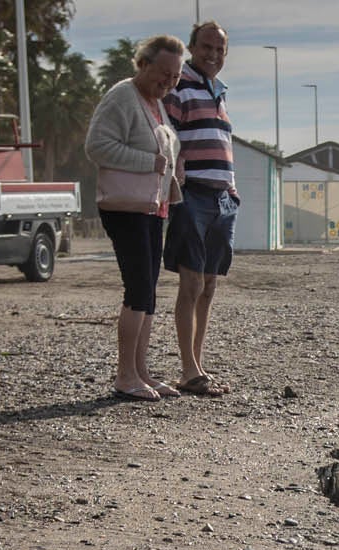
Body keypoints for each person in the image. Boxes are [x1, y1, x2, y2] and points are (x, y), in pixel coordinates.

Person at [85, 34, 186, 401]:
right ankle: (125, 375)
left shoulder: (157, 104)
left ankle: (142, 372)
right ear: (142, 64)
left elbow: (164, 152)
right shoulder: (123, 97)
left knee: (148, 292)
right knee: (138, 289)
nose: (168, 82)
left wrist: (173, 174)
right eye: (163, 73)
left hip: (152, 208)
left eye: (175, 76)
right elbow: (97, 146)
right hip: (125, 209)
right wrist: (149, 162)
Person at [164, 20, 237, 397]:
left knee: (209, 284)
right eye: (206, 47)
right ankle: (188, 370)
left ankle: (196, 364)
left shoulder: (219, 91)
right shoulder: (179, 87)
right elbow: (167, 136)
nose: (212, 55)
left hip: (222, 198)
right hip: (192, 196)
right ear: (193, 48)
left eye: (219, 50)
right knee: (191, 282)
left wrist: (233, 191)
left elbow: (222, 143)